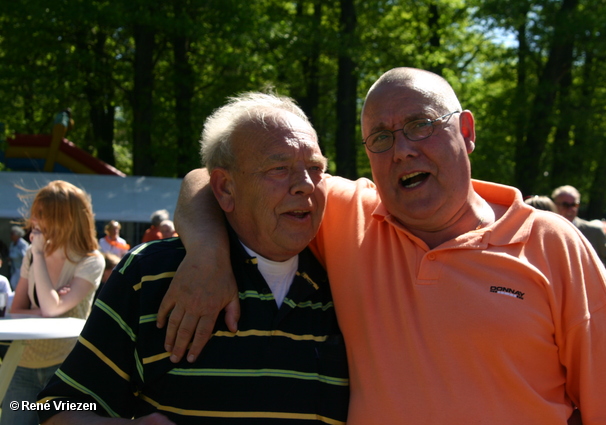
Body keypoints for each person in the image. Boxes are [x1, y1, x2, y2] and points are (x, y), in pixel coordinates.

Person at [161, 68, 606, 424]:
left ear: (467, 132)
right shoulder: (345, 214)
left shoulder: (551, 243)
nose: (402, 149)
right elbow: (211, 179)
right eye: (381, 137)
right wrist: (207, 255)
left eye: (421, 125)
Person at [37, 92, 348, 425]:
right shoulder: (152, 274)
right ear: (226, 189)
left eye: (315, 168)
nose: (305, 184)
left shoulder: (345, 277)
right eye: (279, 168)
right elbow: (49, 408)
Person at [3, 180, 105, 425]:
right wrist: (52, 304)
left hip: (66, 369)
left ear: (65, 218)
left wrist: (38, 255)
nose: (34, 221)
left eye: (41, 214)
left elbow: (48, 309)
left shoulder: (91, 261)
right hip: (23, 363)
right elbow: (15, 309)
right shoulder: (32, 253)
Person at [551, 185, 606, 275]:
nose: (571, 209)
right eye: (565, 205)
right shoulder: (546, 230)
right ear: (554, 205)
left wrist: (595, 273)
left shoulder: (593, 231)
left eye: (574, 205)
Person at [8, 225, 30, 290]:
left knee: (22, 286)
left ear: (17, 235)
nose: (11, 236)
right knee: (13, 283)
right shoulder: (12, 244)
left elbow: (25, 256)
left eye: (12, 234)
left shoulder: (23, 244)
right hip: (15, 269)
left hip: (22, 268)